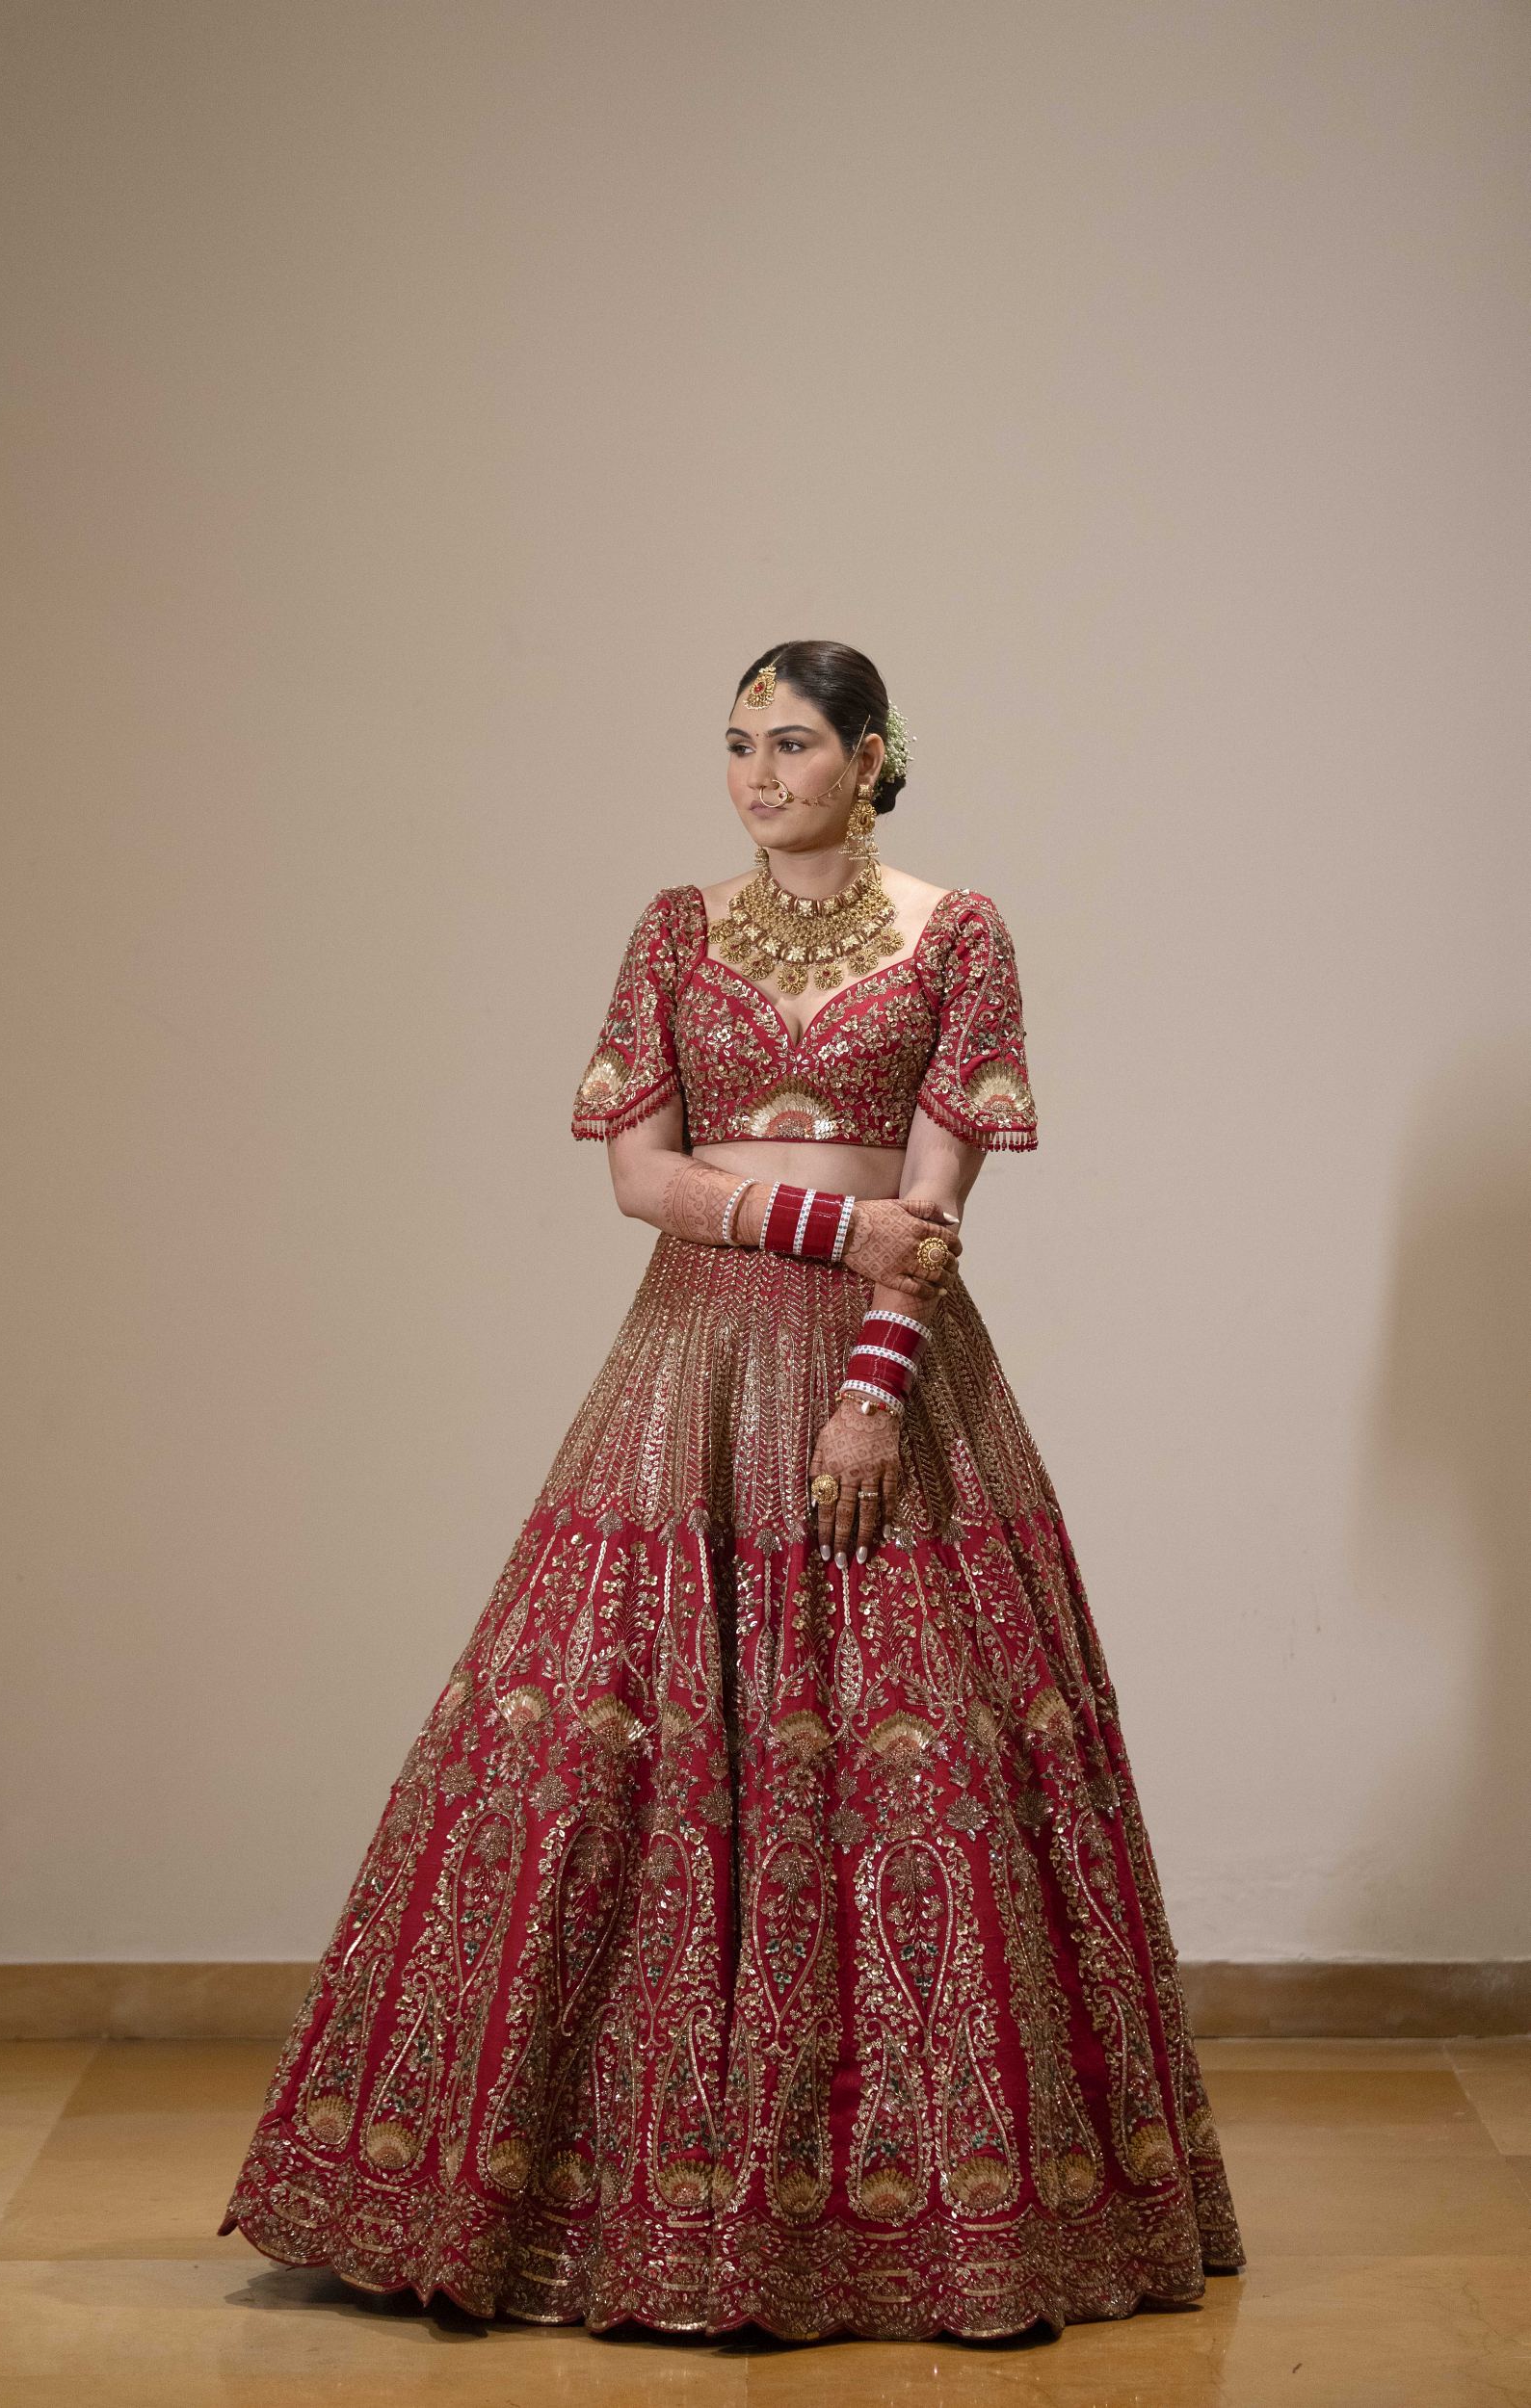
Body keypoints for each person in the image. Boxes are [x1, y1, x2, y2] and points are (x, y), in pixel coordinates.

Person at [220, 638, 1245, 2341]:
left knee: (925, 1746)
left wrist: (873, 1381)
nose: (760, 775)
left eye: (792, 743)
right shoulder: (672, 930)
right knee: (618, 1734)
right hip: (690, 1364)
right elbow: (640, 1174)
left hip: (892, 1371)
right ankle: (578, 2196)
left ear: (873, 754)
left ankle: (954, 2219)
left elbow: (936, 1200)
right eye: (736, 745)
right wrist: (828, 1229)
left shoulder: (958, 931)